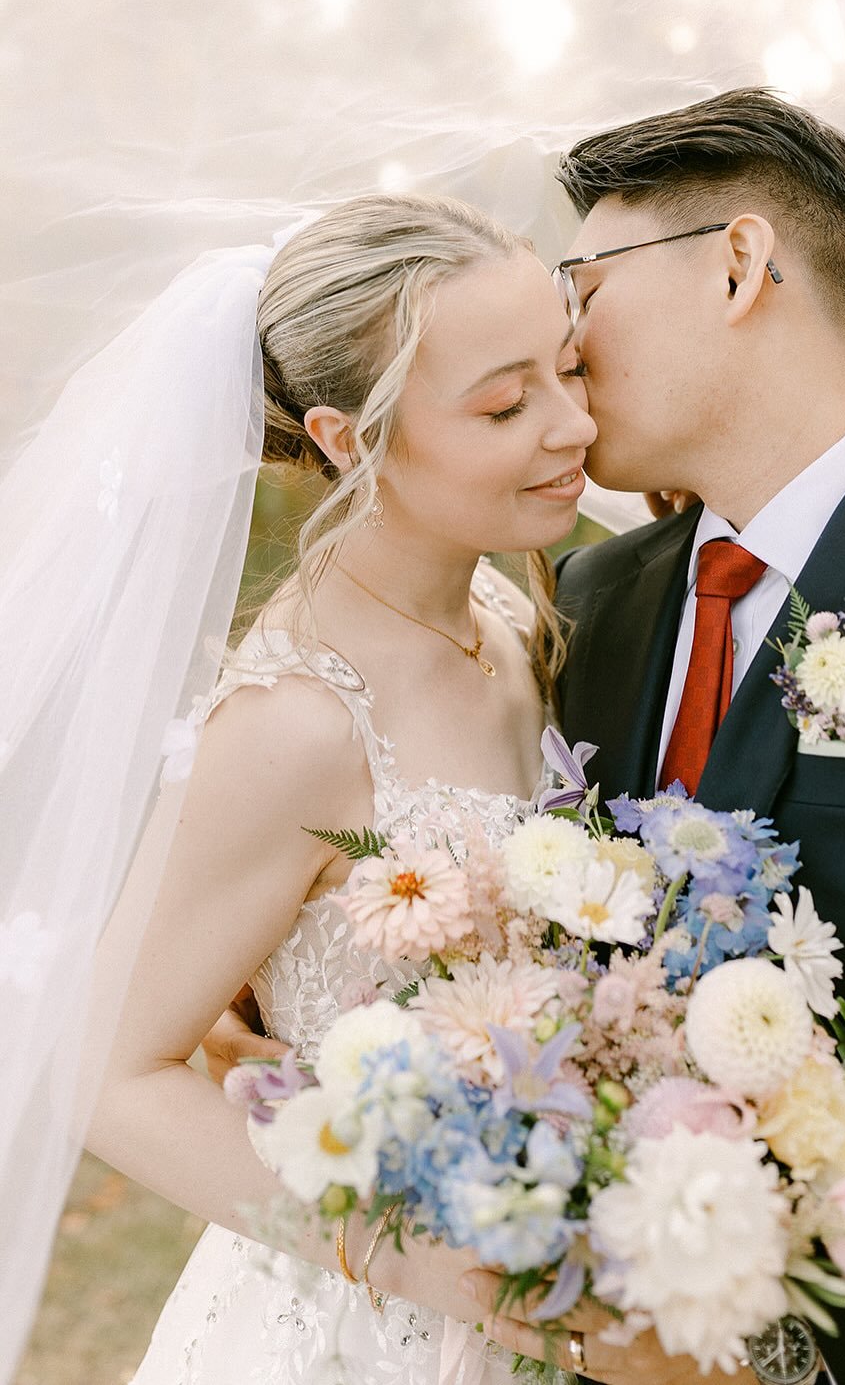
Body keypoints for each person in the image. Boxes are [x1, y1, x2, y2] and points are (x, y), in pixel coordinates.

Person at [455, 91, 845, 1384]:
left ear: (737, 266)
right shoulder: (587, 600)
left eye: (581, 284)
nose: (560, 345)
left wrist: (766, 1326)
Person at [82, 191, 596, 1384]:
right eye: (507, 403)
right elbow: (106, 1078)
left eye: (568, 368)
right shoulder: (296, 723)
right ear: (348, 438)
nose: (572, 425)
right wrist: (416, 1260)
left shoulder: (513, 622)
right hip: (355, 1329)